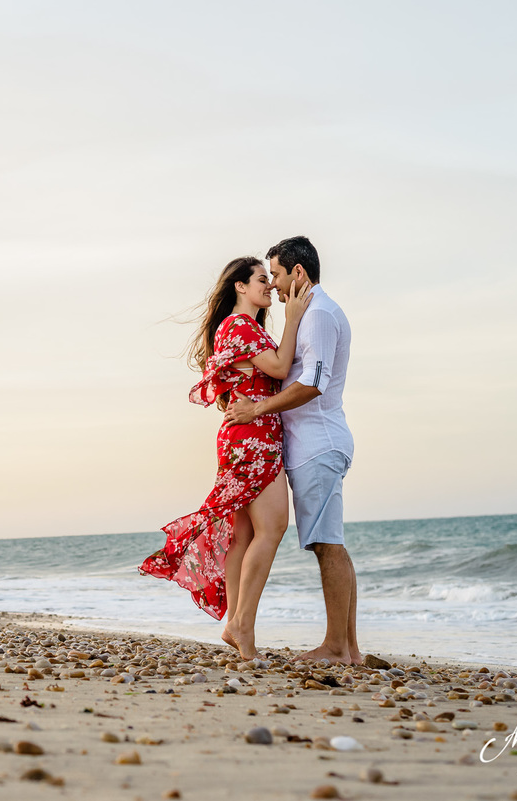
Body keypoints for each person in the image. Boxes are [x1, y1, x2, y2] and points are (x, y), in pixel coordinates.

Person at [141, 256, 311, 659]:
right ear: (239, 286)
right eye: (260, 279)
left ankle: (237, 624)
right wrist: (293, 318)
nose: (269, 285)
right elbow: (281, 366)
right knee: (272, 528)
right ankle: (241, 624)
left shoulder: (239, 328)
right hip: (252, 438)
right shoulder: (239, 325)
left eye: (271, 280)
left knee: (245, 535)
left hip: (248, 435)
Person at [223, 236, 359, 665]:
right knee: (328, 542)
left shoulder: (316, 314)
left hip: (316, 443)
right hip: (309, 443)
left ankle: (337, 646)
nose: (276, 288)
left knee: (326, 544)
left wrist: (259, 407)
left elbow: (311, 380)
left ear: (298, 273)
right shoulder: (311, 313)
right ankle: (348, 648)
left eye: (277, 276)